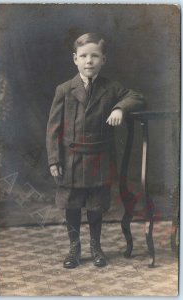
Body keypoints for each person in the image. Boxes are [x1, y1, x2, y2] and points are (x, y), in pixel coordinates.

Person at [46, 33, 145, 268]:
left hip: (99, 160)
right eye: (83, 56)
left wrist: (120, 108)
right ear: (75, 59)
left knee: (96, 206)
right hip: (70, 160)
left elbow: (137, 96)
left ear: (104, 60)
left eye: (94, 56)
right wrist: (53, 160)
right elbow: (53, 128)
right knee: (71, 205)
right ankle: (74, 247)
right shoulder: (65, 90)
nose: (89, 61)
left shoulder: (111, 88)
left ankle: (95, 245)